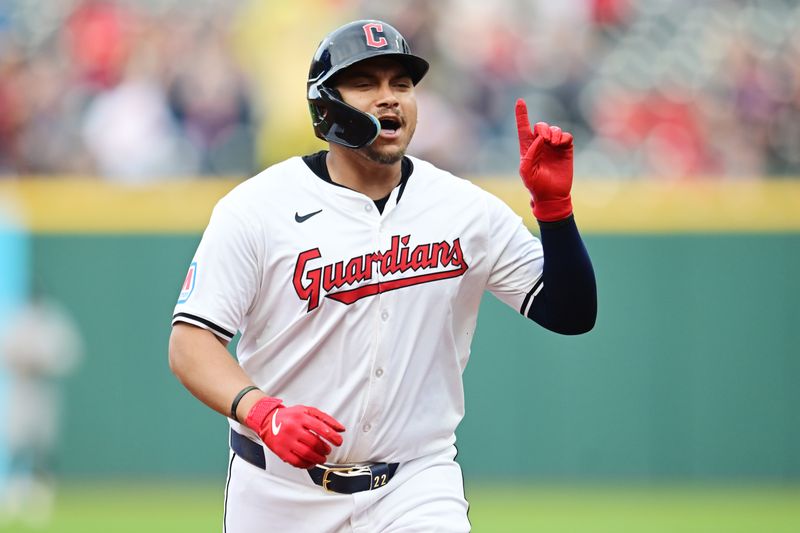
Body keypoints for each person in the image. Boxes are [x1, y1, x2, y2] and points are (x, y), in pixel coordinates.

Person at [169, 19, 596, 532]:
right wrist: (262, 412)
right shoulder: (258, 209)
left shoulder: (462, 208)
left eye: (401, 84)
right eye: (366, 83)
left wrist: (554, 209)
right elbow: (190, 343)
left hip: (413, 484)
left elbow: (570, 313)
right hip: (278, 490)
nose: (389, 98)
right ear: (326, 105)